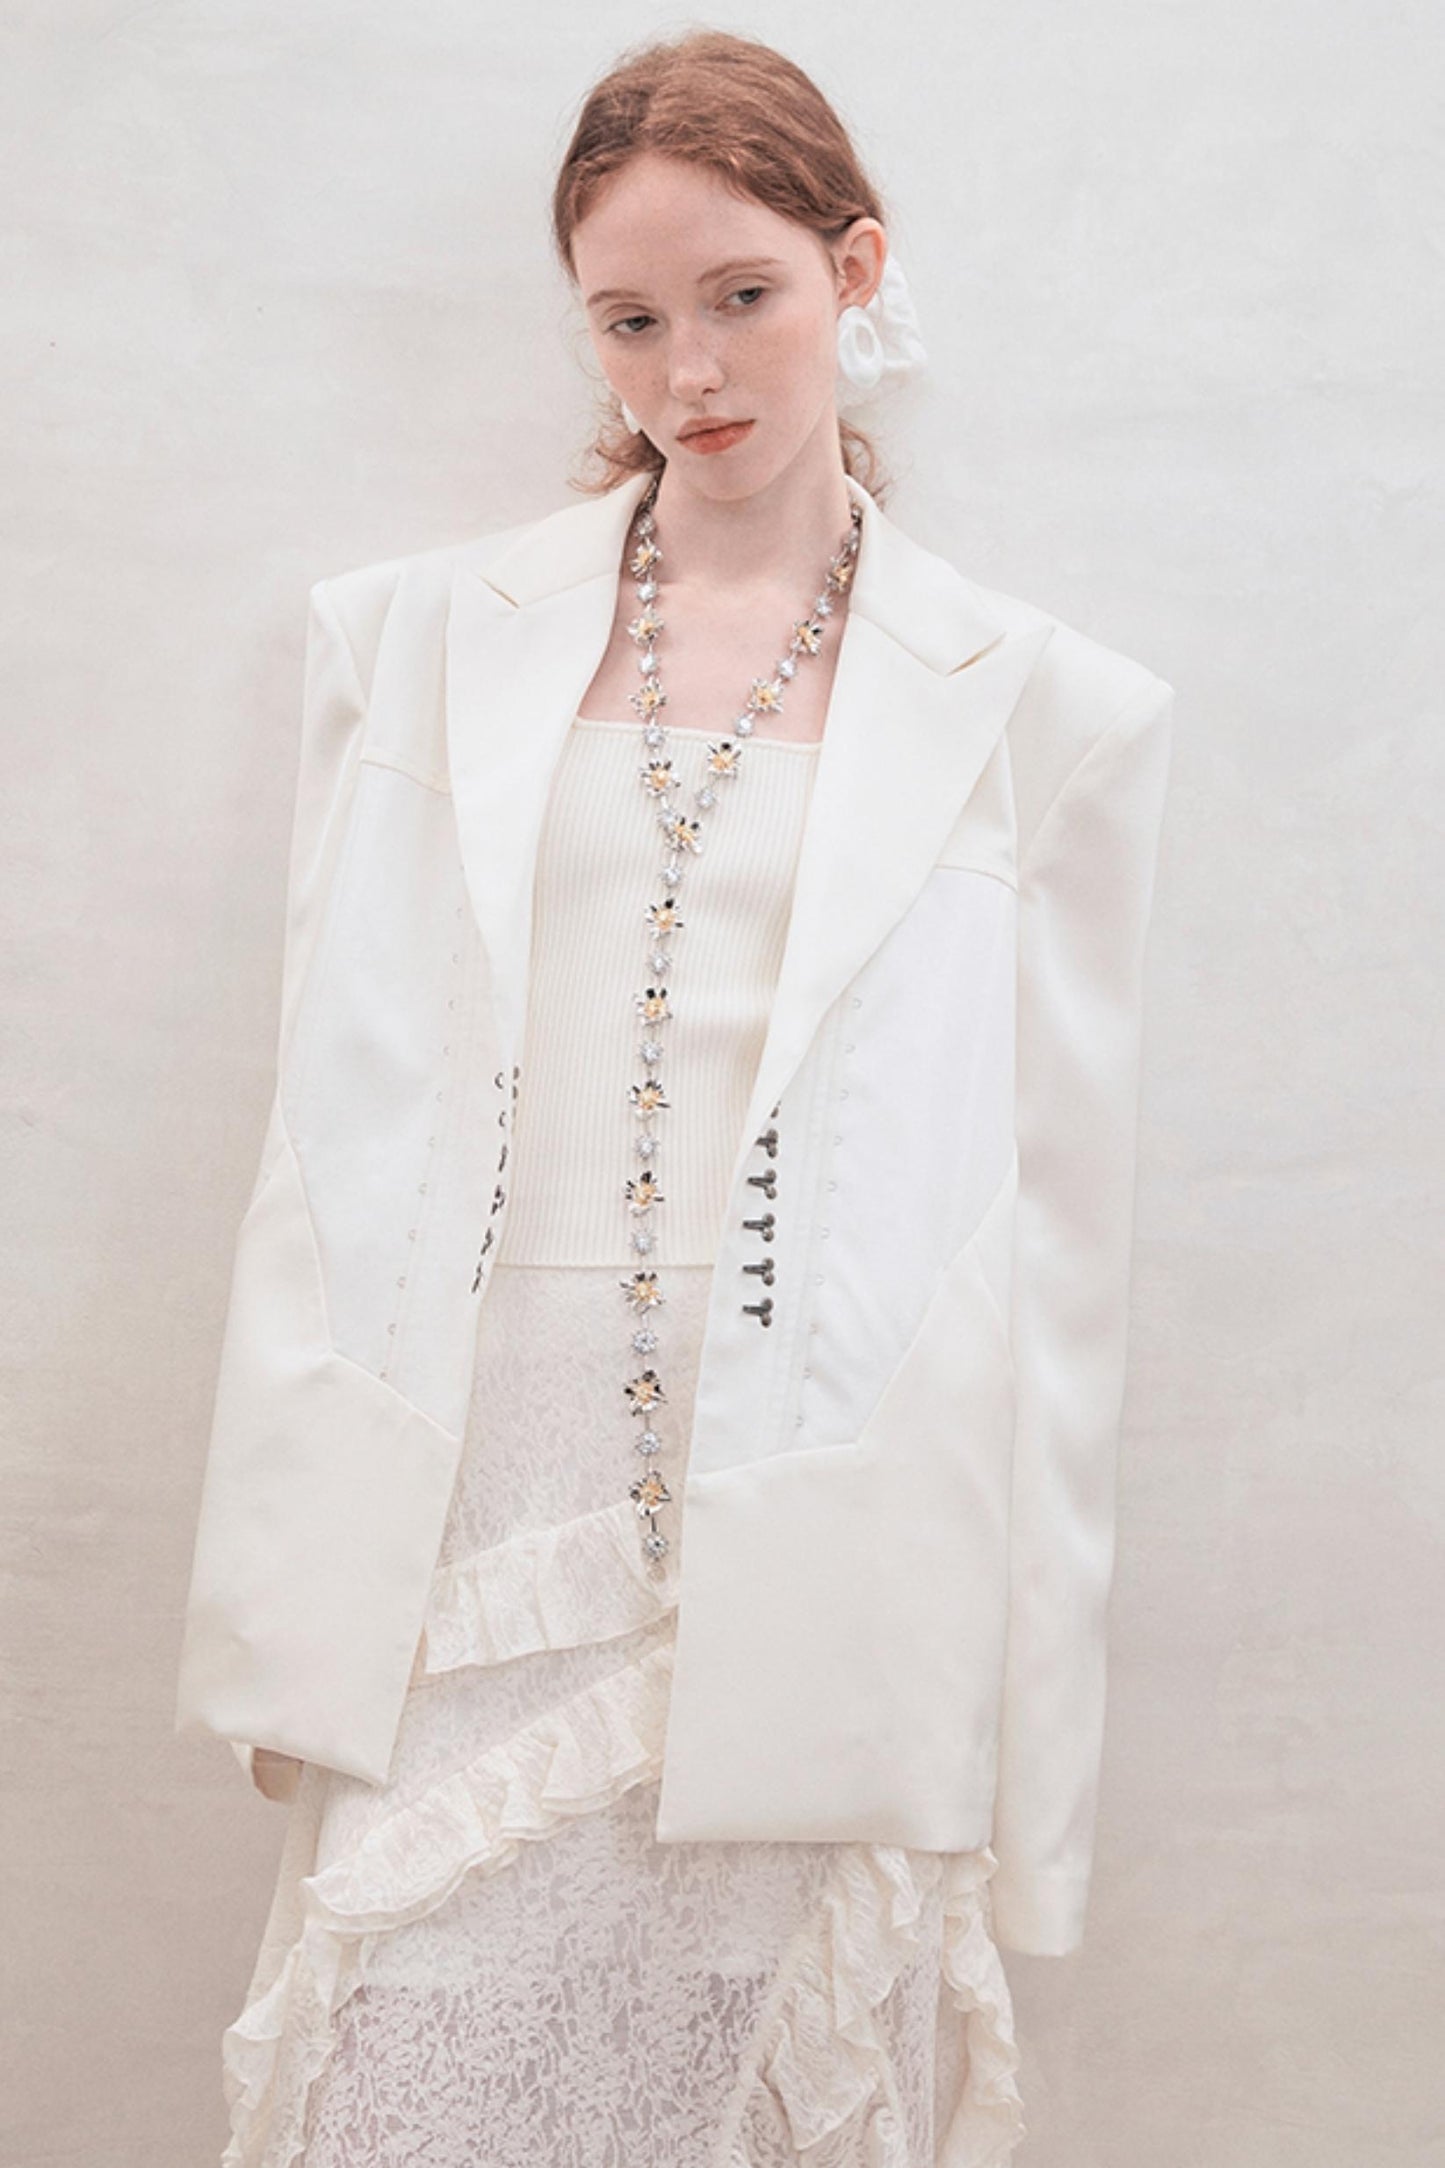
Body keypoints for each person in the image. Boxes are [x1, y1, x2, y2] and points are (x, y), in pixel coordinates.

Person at [177, 27, 1174, 2165]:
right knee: (411, 2071)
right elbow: (324, 1143)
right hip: (478, 1477)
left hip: (826, 1491)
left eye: (743, 296)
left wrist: (1039, 1780)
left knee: (756, 2084)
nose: (690, 371)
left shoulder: (1042, 711)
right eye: (628, 319)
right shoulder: (411, 645)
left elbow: (1060, 1259)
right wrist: (278, 1607)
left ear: (855, 271)